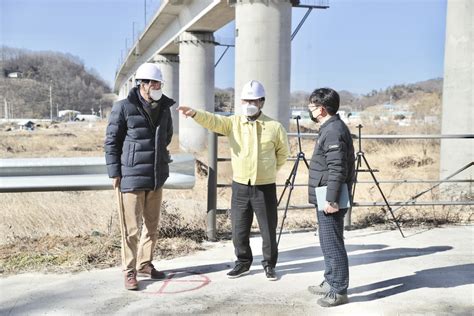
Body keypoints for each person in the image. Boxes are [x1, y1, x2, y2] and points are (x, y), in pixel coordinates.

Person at [177, 80, 289, 281]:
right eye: (246, 100)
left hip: (265, 186)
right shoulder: (233, 123)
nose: (249, 104)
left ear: (262, 102)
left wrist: (269, 170)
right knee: (239, 228)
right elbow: (213, 120)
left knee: (268, 229)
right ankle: (243, 263)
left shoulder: (275, 127)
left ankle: (269, 265)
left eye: (253, 100)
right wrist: (194, 113)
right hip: (240, 185)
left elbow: (282, 153)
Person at [104, 62, 175, 290]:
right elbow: (112, 142)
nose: (157, 86)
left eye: (159, 83)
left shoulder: (164, 107)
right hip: (131, 175)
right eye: (153, 83)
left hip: (155, 174)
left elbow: (167, 136)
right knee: (131, 228)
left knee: (152, 226)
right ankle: (129, 270)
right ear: (142, 84)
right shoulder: (123, 107)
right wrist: (115, 171)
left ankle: (145, 264)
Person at [306, 88, 355, 307]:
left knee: (333, 243)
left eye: (312, 105)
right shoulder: (329, 127)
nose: (310, 109)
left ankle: (338, 289)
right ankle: (330, 280)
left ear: (322, 108)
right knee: (327, 241)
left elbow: (337, 168)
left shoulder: (333, 130)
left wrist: (332, 199)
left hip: (330, 195)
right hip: (324, 192)